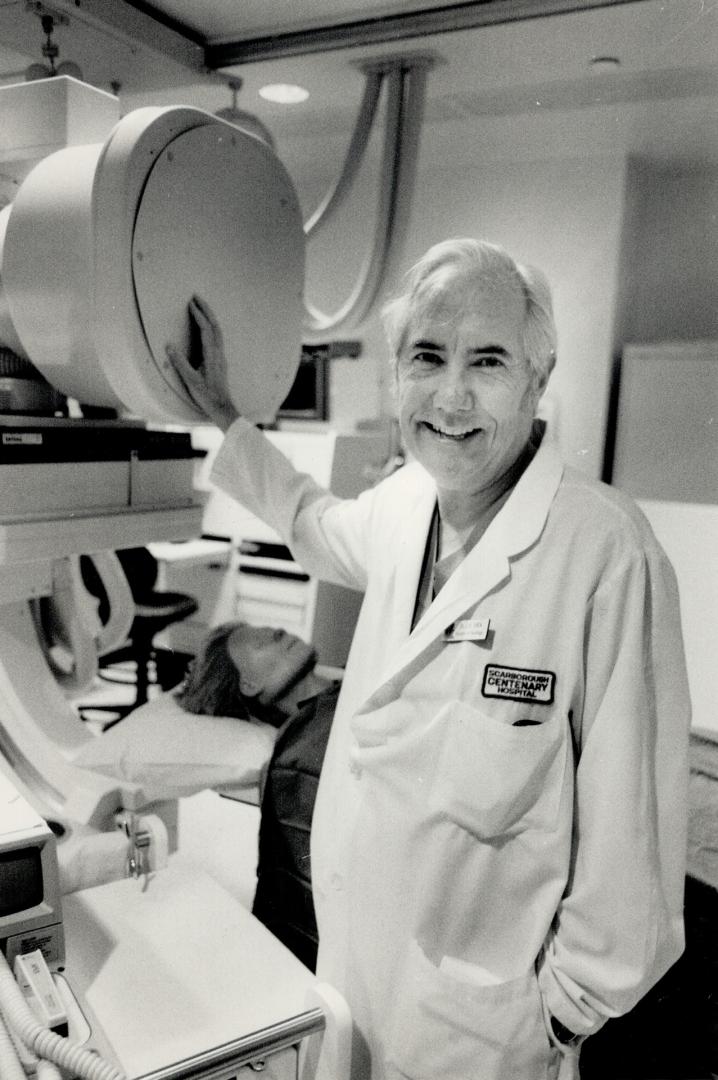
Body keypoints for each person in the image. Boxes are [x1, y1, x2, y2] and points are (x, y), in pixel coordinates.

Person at [168, 239, 690, 1080]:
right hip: (354, 986)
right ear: (396, 375)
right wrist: (225, 417)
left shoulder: (606, 555)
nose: (451, 396)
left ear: (538, 376)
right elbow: (314, 523)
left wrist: (556, 1020)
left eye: (487, 360)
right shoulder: (408, 504)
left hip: (486, 1040)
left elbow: (636, 850)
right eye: (427, 357)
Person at [178, 620, 338, 970]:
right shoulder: (304, 747)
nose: (276, 631)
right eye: (258, 643)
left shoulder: (347, 687)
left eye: (268, 629)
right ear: (248, 684)